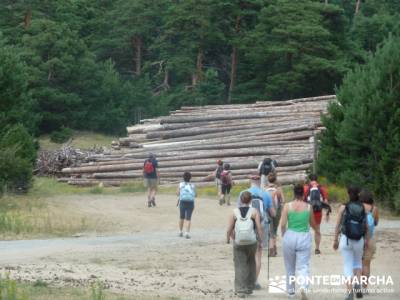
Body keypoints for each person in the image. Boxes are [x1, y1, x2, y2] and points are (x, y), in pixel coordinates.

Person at [237, 175, 275, 290]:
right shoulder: (266, 194)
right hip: (261, 226)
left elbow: (238, 211)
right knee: (258, 254)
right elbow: (272, 213)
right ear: (259, 182)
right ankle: (254, 281)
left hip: (245, 226)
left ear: (250, 181)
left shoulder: (243, 193)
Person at [280, 183, 316, 299]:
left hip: (290, 235)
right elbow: (313, 224)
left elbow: (283, 224)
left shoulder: (287, 206)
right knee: (303, 265)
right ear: (303, 193)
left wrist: (283, 234)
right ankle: (303, 286)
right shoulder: (308, 207)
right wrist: (318, 231)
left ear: (294, 193)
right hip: (304, 236)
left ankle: (290, 292)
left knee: (289, 266)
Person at [333, 185, 369, 300]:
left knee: (347, 265)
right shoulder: (363, 207)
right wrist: (366, 241)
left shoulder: (344, 207)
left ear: (348, 194)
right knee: (358, 263)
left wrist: (335, 240)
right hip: (359, 239)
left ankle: (349, 292)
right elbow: (366, 226)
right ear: (358, 194)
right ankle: (358, 284)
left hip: (346, 239)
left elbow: (337, 225)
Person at [227, 191, 263, 298]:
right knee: (251, 263)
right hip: (252, 242)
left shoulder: (234, 212)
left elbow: (229, 229)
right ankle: (249, 288)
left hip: (239, 242)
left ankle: (240, 289)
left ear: (241, 200)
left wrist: (229, 239)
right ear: (251, 200)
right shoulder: (254, 211)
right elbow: (258, 228)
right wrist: (260, 240)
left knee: (239, 264)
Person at [303, 174, 330, 254]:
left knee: (305, 229)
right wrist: (327, 213)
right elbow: (325, 201)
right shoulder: (321, 188)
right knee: (317, 230)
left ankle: (305, 248)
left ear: (309, 180)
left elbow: (302, 199)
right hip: (317, 211)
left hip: (307, 210)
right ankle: (317, 249)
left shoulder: (306, 188)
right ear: (317, 179)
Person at [360, 189, 379, 292]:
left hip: (357, 238)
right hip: (370, 239)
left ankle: (356, 285)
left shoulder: (357, 206)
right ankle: (364, 288)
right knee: (366, 264)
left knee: (356, 263)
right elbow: (376, 222)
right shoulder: (374, 209)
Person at [265, 172, 285, 257]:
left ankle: (272, 249)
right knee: (275, 230)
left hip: (267, 212)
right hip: (277, 211)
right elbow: (283, 201)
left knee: (270, 231)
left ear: (267, 180)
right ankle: (274, 247)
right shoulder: (279, 190)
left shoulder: (264, 189)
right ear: (275, 180)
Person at [176, 172, 196, 239]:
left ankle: (180, 231)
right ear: (190, 178)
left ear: (183, 178)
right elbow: (195, 195)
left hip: (182, 202)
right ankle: (187, 232)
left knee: (181, 217)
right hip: (190, 202)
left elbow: (177, 193)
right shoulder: (192, 185)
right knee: (188, 218)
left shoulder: (181, 184)